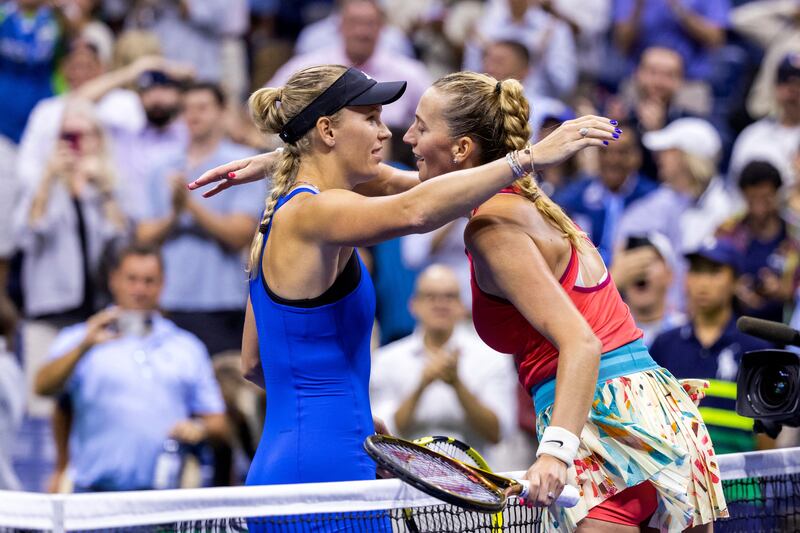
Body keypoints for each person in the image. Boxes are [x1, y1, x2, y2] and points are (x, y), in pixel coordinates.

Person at [188, 65, 616, 489]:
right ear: (327, 130)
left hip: (296, 458)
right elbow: (417, 209)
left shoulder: (283, 215)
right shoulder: (314, 213)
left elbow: (254, 363)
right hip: (327, 468)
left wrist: (348, 410)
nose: (387, 133)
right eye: (371, 119)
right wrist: (529, 158)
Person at [33, 244, 227, 492]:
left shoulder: (186, 347)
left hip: (165, 497)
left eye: (149, 281)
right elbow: (42, 387)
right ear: (114, 280)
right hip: (92, 494)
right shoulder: (81, 337)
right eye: (132, 279)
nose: (139, 289)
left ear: (162, 284)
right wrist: (84, 347)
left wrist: (198, 428)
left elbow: (218, 423)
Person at [136, 82, 262, 356]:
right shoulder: (162, 166)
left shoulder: (242, 164)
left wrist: (190, 206)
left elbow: (240, 235)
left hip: (220, 300)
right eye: (187, 109)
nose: (194, 116)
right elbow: (143, 236)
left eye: (203, 108)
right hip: (168, 299)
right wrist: (174, 214)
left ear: (222, 112)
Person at [370, 264, 517, 466]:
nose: (440, 304)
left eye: (449, 296)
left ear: (462, 305)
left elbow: (499, 433)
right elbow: (384, 434)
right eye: (430, 296)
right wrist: (422, 384)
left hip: (475, 479)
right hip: (407, 477)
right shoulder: (386, 359)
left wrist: (458, 385)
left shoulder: (492, 357)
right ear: (414, 304)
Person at [649, 239, 772, 455]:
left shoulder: (758, 351)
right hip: (681, 483)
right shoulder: (664, 345)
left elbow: (767, 438)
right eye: (696, 271)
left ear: (736, 282)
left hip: (741, 485)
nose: (703, 282)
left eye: (714, 271)